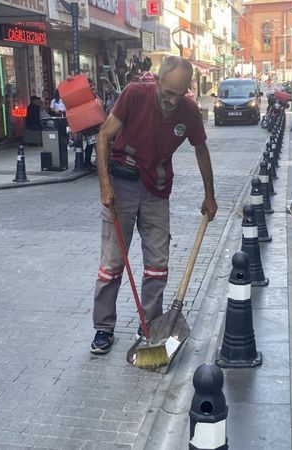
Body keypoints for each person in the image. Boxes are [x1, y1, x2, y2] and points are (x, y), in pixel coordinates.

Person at [89, 56, 217, 354]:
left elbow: (201, 150)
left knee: (157, 264)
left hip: (157, 188)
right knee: (112, 263)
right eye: (167, 92)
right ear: (157, 82)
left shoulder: (188, 111)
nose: (172, 100)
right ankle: (103, 329)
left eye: (179, 93)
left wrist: (209, 195)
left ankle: (149, 324)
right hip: (122, 184)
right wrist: (105, 185)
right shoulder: (134, 94)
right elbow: (104, 136)